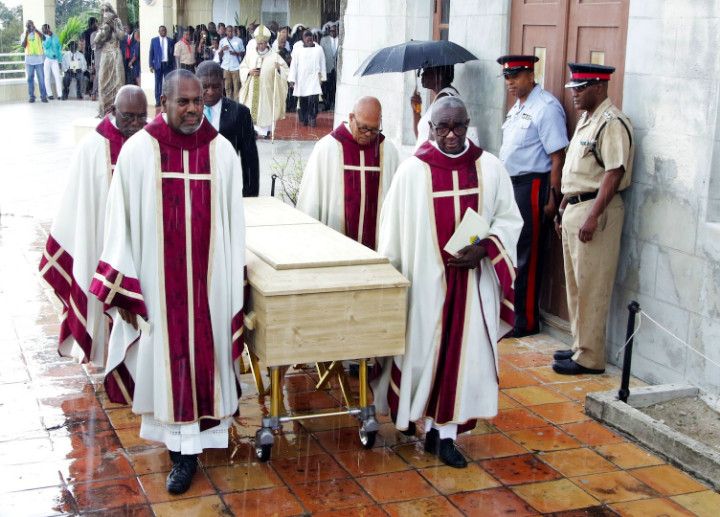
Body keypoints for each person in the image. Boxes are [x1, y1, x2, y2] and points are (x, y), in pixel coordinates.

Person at [89, 70, 246, 495]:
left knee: (205, 359)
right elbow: (117, 222)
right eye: (184, 102)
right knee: (167, 363)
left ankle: (197, 443)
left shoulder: (222, 153)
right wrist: (123, 285)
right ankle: (181, 455)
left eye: (198, 101)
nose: (194, 109)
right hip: (160, 292)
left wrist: (236, 282)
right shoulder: (140, 152)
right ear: (164, 102)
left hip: (209, 290)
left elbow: (235, 225)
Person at [371, 97, 522, 468]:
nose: (451, 135)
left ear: (468, 124)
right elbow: (391, 234)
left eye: (458, 126)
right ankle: (413, 416)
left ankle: (447, 435)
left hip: (473, 286)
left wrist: (485, 248)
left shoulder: (490, 168)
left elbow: (509, 219)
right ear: (430, 128)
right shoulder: (412, 172)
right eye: (443, 127)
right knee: (422, 355)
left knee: (464, 359)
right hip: (425, 286)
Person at [40, 85, 148, 366]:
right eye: (128, 116)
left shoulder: (151, 143)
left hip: (143, 248)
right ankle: (104, 355)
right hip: (102, 245)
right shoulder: (92, 146)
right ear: (113, 111)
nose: (136, 124)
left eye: (141, 117)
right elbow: (77, 205)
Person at [552, 63, 634, 376]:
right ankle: (579, 345)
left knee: (591, 285)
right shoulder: (588, 120)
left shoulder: (612, 123)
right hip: (575, 207)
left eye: (581, 88)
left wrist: (592, 216)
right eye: (574, 88)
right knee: (575, 284)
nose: (574, 94)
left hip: (595, 211)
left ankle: (590, 357)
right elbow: (576, 172)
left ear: (599, 87)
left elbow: (614, 172)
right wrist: (562, 207)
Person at [497, 55, 569, 337]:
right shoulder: (517, 108)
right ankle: (514, 313)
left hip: (534, 186)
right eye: (507, 78)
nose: (510, 83)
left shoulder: (546, 107)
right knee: (514, 251)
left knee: (528, 254)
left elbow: (557, 158)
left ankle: (525, 321)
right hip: (513, 185)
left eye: (516, 76)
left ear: (531, 74)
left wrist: (553, 196)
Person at [297, 96, 399, 249]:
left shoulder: (388, 151)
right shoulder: (327, 149)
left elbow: (396, 206)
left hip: (376, 252)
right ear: (351, 118)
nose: (368, 134)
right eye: (363, 127)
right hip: (335, 249)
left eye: (374, 129)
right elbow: (310, 203)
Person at [197, 60, 260, 197]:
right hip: (194, 188)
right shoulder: (188, 111)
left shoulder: (239, 113)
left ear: (223, 81)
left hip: (226, 188)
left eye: (216, 86)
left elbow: (250, 159)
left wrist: (250, 196)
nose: (211, 92)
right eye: (205, 87)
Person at [238, 25, 289, 138]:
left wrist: (279, 69)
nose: (260, 46)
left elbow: (286, 70)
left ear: (267, 43)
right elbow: (243, 67)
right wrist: (249, 72)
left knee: (266, 110)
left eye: (262, 43)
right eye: (258, 43)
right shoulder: (250, 55)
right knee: (253, 109)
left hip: (267, 89)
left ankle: (266, 132)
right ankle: (255, 131)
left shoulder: (274, 56)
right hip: (253, 89)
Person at [411, 66, 460, 150]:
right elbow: (421, 136)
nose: (422, 74)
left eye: (426, 70)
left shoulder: (445, 100)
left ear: (439, 74)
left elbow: (441, 141)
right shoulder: (440, 97)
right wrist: (416, 111)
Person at [288, 30, 326, 127]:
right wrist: (292, 79)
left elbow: (322, 64)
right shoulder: (298, 50)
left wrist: (323, 78)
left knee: (313, 100)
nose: (309, 42)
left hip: (314, 78)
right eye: (307, 40)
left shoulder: (319, 49)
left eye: (311, 40)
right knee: (303, 100)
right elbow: (294, 66)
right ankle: (305, 118)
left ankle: (312, 118)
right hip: (302, 78)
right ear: (304, 39)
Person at [94, 2, 125, 117]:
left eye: (107, 10)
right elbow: (97, 41)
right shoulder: (103, 25)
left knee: (118, 81)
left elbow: (122, 36)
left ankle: (118, 109)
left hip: (115, 52)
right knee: (103, 81)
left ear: (111, 10)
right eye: (102, 11)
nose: (105, 13)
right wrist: (104, 29)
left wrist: (114, 26)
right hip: (106, 54)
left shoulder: (117, 21)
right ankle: (103, 110)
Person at [21, 20, 47, 103]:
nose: (28, 27)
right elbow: (23, 45)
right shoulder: (23, 34)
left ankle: (43, 96)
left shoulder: (38, 32)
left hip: (39, 60)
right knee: (30, 79)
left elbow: (44, 38)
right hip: (29, 60)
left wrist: (35, 30)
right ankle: (31, 96)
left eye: (30, 25)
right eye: (27, 25)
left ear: (33, 25)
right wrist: (26, 35)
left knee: (41, 79)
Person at [149, 25, 175, 107]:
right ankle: (157, 100)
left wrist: (173, 65)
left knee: (168, 83)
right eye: (162, 30)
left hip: (167, 64)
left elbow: (172, 54)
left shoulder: (170, 40)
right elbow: (151, 53)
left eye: (164, 30)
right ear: (159, 31)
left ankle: (168, 99)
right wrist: (151, 65)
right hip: (158, 64)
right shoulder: (154, 40)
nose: (163, 32)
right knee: (158, 83)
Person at [219, 25, 245, 102]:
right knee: (227, 87)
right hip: (226, 67)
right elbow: (220, 55)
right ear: (226, 32)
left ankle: (236, 104)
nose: (230, 33)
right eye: (228, 31)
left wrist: (236, 53)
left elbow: (243, 52)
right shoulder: (222, 41)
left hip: (236, 67)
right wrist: (222, 50)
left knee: (237, 87)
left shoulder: (238, 40)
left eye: (231, 31)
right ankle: (228, 103)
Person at [319, 23, 339, 111]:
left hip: (338, 69)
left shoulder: (342, 40)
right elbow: (321, 54)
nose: (333, 33)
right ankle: (327, 104)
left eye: (335, 31)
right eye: (331, 31)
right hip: (327, 68)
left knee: (335, 87)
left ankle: (334, 104)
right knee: (326, 87)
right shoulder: (324, 40)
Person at [41, 24, 62, 100]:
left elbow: (59, 49)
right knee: (47, 77)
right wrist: (49, 37)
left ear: (49, 29)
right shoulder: (43, 37)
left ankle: (60, 95)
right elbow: (46, 46)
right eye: (44, 29)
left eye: (46, 29)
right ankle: (49, 94)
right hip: (47, 59)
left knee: (57, 77)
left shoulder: (55, 37)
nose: (45, 30)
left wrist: (60, 60)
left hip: (55, 60)